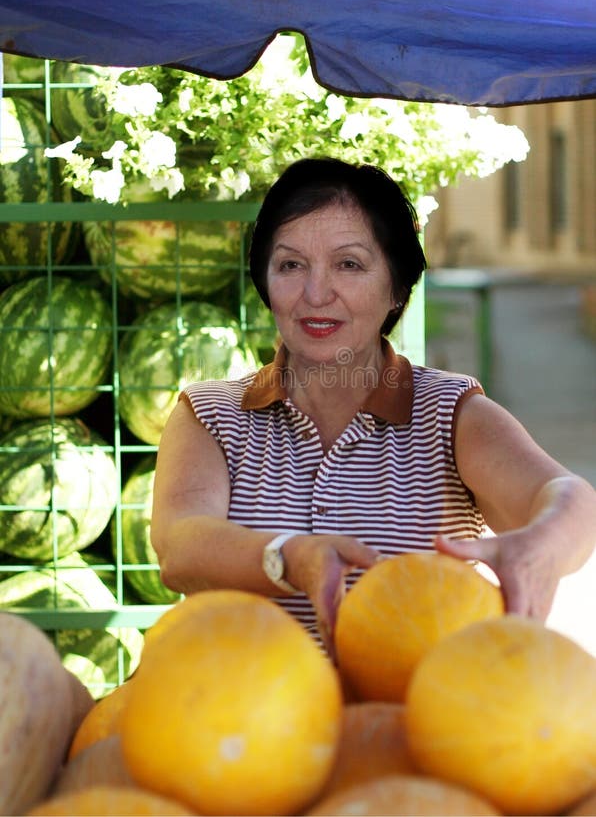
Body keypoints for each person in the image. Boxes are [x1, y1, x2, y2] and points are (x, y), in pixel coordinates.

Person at [151, 157, 596, 657]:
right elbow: (180, 545)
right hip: (243, 722)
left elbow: (568, 497)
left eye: (349, 264)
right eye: (291, 265)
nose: (316, 294)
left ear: (396, 288)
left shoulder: (450, 414)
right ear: (265, 281)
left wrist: (543, 547)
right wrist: (288, 556)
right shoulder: (211, 414)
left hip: (415, 721)